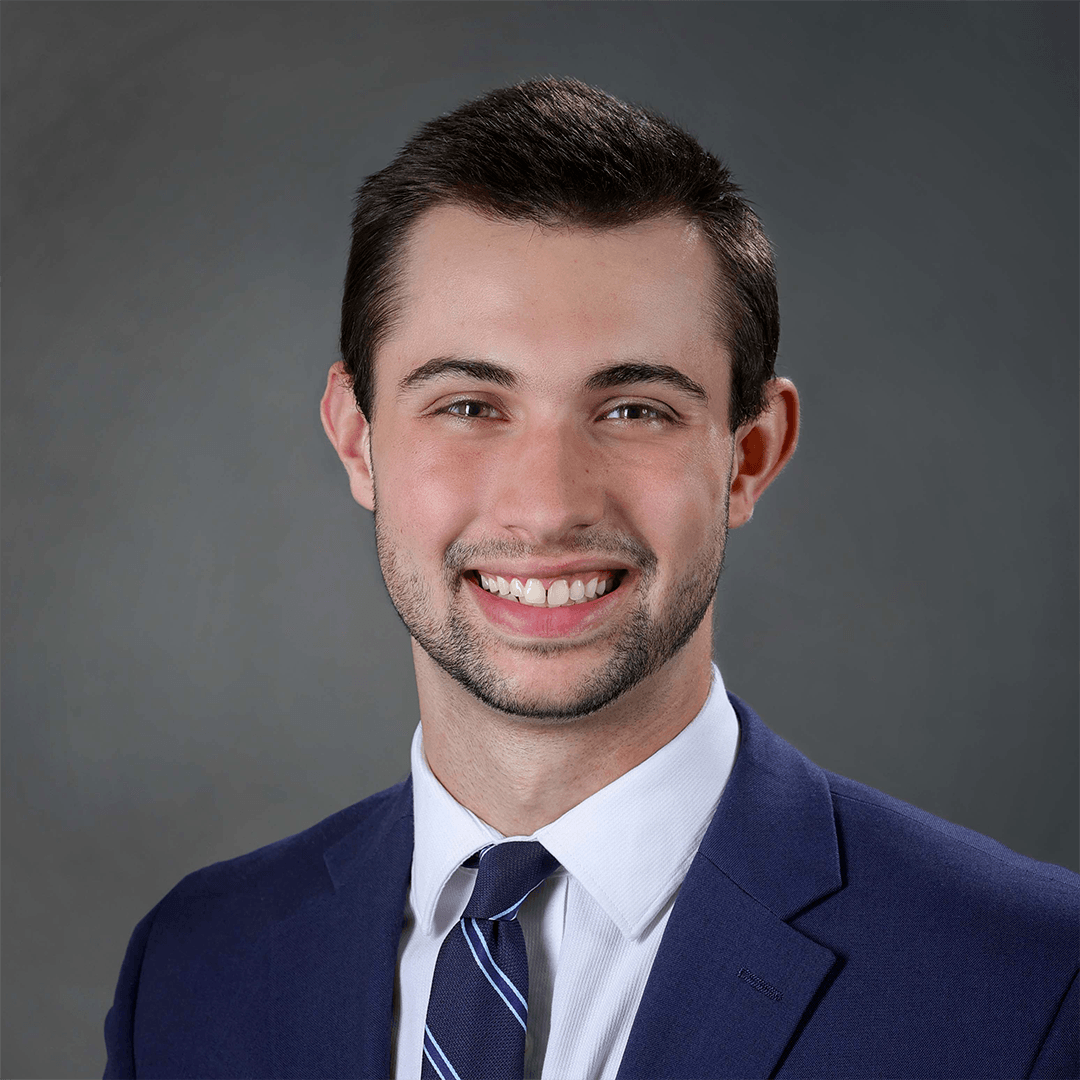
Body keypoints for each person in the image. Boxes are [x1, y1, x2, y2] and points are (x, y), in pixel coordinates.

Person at [103, 78, 1078, 1080]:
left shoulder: (1035, 983)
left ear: (750, 457)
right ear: (358, 440)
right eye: (469, 405)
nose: (547, 506)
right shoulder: (195, 969)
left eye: (634, 411)